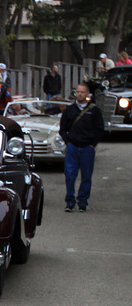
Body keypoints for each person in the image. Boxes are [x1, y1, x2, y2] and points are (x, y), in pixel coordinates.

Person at [59, 83, 105, 212]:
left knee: (86, 176)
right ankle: (70, 202)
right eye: (78, 92)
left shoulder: (94, 111)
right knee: (70, 176)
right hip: (72, 147)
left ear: (87, 94)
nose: (80, 94)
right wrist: (68, 142)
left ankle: (83, 202)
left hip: (87, 148)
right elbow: (62, 129)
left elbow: (100, 129)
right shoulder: (69, 110)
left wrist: (92, 145)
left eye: (82, 92)